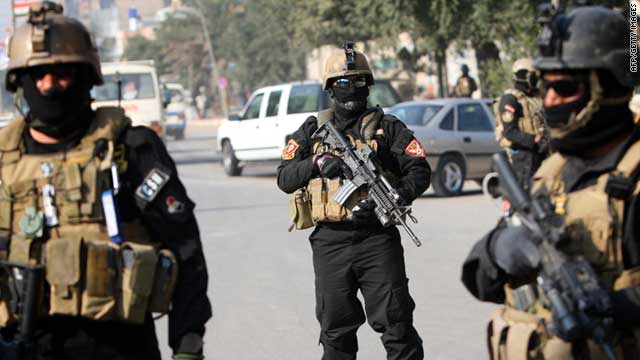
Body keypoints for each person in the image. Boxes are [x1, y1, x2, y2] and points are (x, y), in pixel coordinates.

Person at [0, 3, 211, 359]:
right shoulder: (5, 160)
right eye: (38, 76)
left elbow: (185, 251)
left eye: (62, 73)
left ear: (86, 77)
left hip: (118, 346)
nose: (49, 86)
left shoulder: (130, 149)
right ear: (20, 83)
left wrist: (187, 346)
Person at [461, 5, 640, 359]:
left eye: (565, 88)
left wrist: (617, 303)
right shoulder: (553, 173)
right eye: (545, 87)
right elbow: (480, 279)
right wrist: (500, 248)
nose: (550, 100)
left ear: (609, 87)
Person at [277, 43, 430, 360]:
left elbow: (419, 169)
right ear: (330, 88)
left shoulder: (388, 129)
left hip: (378, 240)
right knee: (336, 334)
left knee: (398, 328)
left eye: (359, 82)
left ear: (368, 85)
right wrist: (316, 165)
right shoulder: (313, 131)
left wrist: (398, 195)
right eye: (343, 83)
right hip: (331, 243)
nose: (352, 89)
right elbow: (284, 177)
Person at [493, 58, 548, 191]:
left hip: (542, 152)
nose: (536, 79)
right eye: (533, 76)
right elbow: (510, 131)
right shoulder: (511, 99)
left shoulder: (536, 97)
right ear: (525, 76)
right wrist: (533, 140)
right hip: (524, 157)